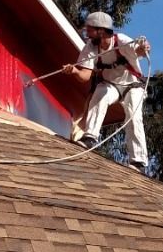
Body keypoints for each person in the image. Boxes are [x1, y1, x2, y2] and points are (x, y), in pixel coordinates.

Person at [63, 12, 151, 171]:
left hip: (133, 85)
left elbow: (138, 51)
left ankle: (138, 161)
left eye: (90, 30)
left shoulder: (121, 40)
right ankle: (90, 137)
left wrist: (143, 48)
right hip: (111, 85)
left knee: (133, 114)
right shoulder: (90, 47)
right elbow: (85, 76)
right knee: (100, 93)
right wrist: (75, 71)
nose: (87, 33)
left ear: (101, 31)